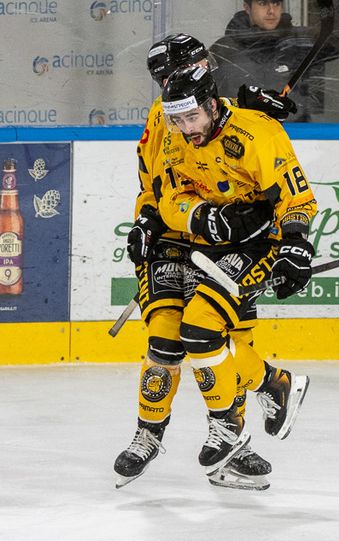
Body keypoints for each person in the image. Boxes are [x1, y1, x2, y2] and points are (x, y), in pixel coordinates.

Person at [114, 33, 297, 490]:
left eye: (203, 63)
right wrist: (148, 220)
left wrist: (250, 109)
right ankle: (150, 432)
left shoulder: (209, 106)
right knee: (167, 339)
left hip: (227, 239)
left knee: (220, 337)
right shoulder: (168, 117)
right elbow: (160, 186)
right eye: (192, 66)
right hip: (176, 231)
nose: (204, 70)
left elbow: (243, 151)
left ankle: (235, 441)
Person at [210, 0, 339, 122]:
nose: (271, 11)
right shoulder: (223, 49)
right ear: (247, 7)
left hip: (293, 133)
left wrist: (330, 7)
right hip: (242, 132)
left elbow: (338, 44)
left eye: (276, 3)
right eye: (263, 3)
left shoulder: (299, 42)